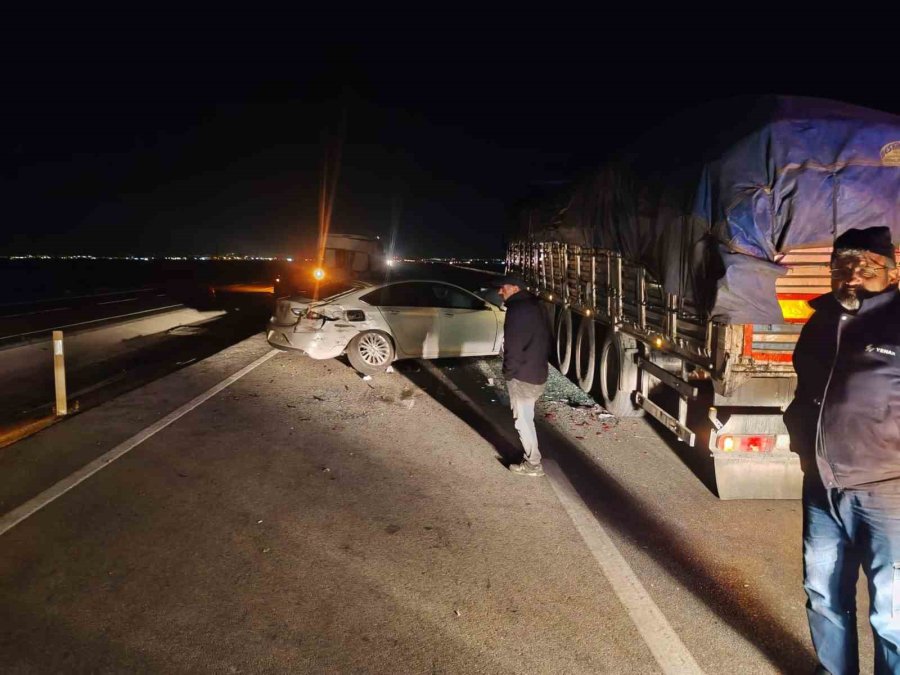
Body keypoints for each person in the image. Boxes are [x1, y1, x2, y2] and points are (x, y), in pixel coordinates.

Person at [784, 226, 900, 674]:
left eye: (866, 265)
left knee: (891, 614)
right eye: (842, 265)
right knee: (823, 594)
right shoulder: (823, 319)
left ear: (890, 272)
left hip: (887, 491)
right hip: (822, 485)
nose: (852, 275)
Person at [491, 274, 551, 477]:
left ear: (515, 289)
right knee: (527, 417)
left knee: (523, 420)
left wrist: (508, 374)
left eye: (504, 288)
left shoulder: (517, 311)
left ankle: (533, 464)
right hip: (537, 373)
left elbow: (513, 348)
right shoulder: (537, 306)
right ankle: (532, 459)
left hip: (523, 377)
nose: (500, 291)